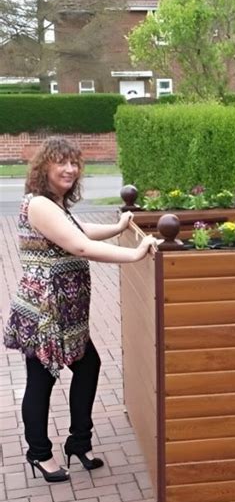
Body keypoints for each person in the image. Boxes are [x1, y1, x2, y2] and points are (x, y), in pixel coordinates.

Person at [3, 136, 156, 483]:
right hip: (45, 309)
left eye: (74, 163)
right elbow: (79, 245)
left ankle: (79, 441)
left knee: (88, 366)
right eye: (62, 162)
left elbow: (79, 229)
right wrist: (133, 254)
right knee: (41, 380)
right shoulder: (39, 204)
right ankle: (39, 453)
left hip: (66, 310)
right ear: (44, 167)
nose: (70, 169)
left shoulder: (54, 204)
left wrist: (117, 228)